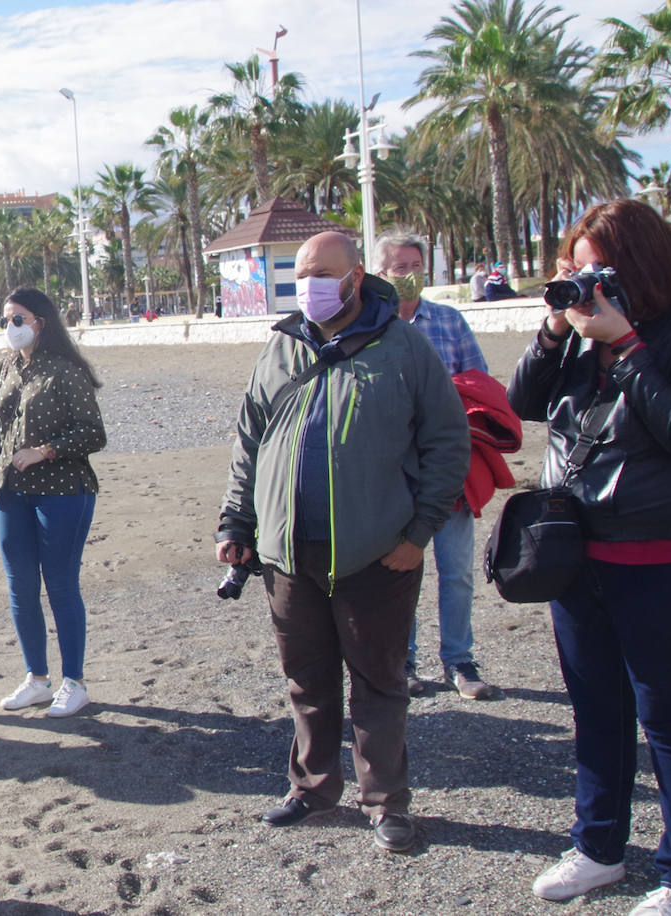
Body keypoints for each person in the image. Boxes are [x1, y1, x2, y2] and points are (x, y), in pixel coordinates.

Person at [512, 199, 671, 916]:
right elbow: (524, 400)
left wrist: (629, 344)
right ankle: (599, 847)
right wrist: (556, 330)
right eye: (573, 271)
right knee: (597, 709)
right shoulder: (582, 334)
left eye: (593, 270)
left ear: (636, 264)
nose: (582, 285)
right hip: (579, 553)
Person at [216, 231, 469, 853]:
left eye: (323, 275)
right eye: (302, 276)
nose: (310, 288)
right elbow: (248, 442)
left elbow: (447, 445)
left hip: (377, 554)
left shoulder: (404, 348)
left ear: (356, 277)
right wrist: (236, 524)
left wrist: (418, 534)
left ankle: (386, 803)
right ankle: (313, 788)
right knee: (306, 679)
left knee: (380, 682)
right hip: (287, 556)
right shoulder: (280, 347)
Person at [0, 287, 106, 718]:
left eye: (17, 319)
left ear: (40, 322)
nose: (10, 327)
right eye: (5, 319)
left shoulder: (66, 371)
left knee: (62, 584)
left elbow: (93, 432)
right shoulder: (6, 367)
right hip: (11, 495)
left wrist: (45, 450)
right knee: (21, 587)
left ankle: (74, 681)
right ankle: (37, 679)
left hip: (64, 492)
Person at [377, 233, 495, 700]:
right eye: (397, 266)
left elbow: (481, 386)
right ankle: (402, 661)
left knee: (457, 570)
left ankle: (459, 661)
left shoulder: (449, 321)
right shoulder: (374, 325)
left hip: (449, 471)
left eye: (414, 265)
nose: (407, 274)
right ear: (379, 271)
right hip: (393, 475)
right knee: (399, 572)